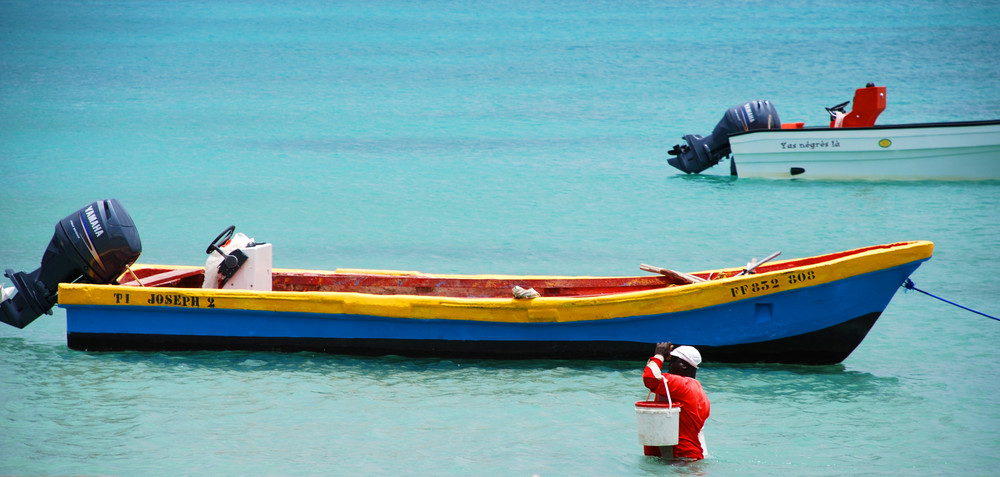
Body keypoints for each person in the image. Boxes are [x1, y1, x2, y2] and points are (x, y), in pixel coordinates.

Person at [642, 341, 710, 460]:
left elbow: (650, 377)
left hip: (677, 459)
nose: (668, 364)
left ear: (684, 365)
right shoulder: (699, 391)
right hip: (690, 456)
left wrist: (659, 355)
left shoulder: (680, 384)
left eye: (673, 361)